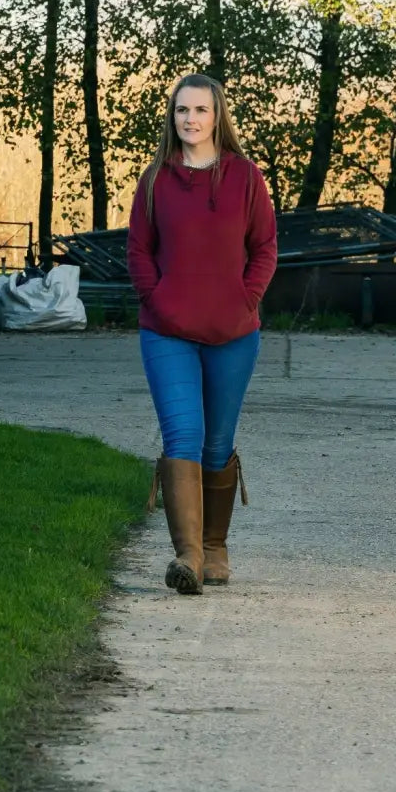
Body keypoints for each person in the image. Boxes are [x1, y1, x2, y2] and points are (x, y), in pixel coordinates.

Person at [127, 73, 278, 595]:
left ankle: (215, 548)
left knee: (217, 443)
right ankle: (187, 556)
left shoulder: (245, 178)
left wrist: (245, 299)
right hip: (166, 332)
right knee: (182, 437)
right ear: (172, 118)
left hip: (234, 332)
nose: (189, 119)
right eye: (181, 111)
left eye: (200, 110)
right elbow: (139, 253)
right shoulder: (155, 181)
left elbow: (264, 248)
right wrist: (158, 298)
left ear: (218, 117)